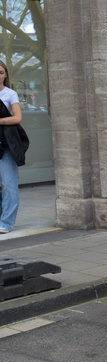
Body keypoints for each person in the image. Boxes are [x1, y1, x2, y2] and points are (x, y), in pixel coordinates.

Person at [0, 60, 23, 234]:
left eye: (0, 72)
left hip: (5, 145)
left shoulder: (10, 94)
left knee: (8, 184)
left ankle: (6, 223)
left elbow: (17, 118)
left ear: (5, 74)